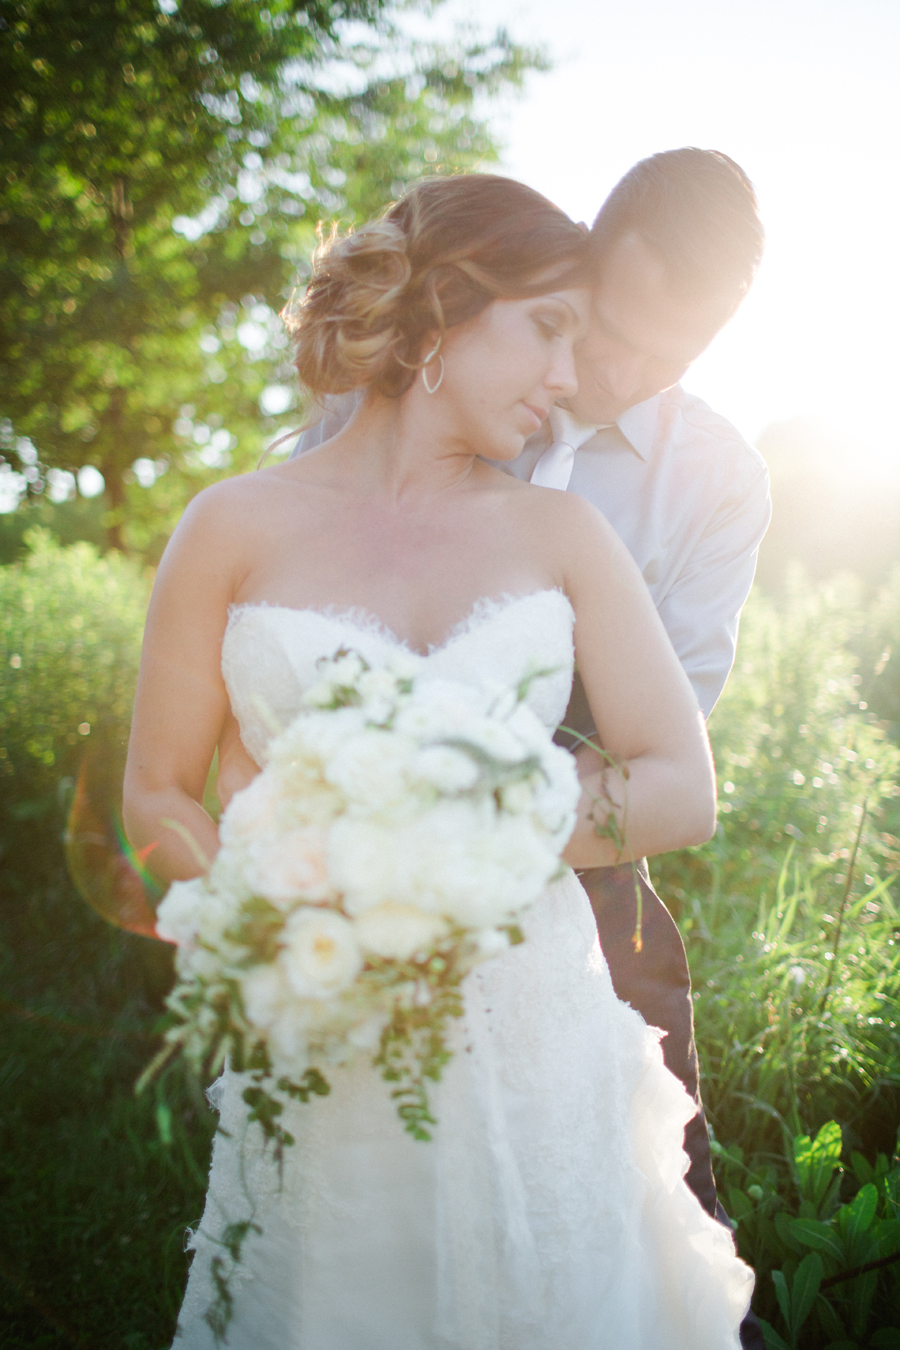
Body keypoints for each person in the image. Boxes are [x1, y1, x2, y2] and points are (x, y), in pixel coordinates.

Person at [124, 173, 753, 1347]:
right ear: (449, 309)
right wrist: (270, 919)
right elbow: (156, 792)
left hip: (536, 1021)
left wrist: (462, 837)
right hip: (326, 1034)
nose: (571, 380)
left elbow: (679, 784)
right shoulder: (228, 525)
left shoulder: (566, 536)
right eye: (549, 329)